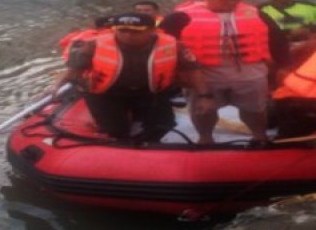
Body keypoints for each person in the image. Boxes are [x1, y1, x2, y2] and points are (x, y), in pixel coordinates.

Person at [160, 0, 290, 144]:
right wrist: (175, 74)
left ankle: (260, 136)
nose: (234, 2)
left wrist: (284, 66)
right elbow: (163, 44)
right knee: (203, 110)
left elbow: (278, 41)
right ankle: (205, 138)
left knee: (255, 109)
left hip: (250, 70)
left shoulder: (257, 14)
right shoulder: (180, 17)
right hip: (203, 72)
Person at [53, 13, 212, 142]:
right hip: (105, 94)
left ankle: (145, 143)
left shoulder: (175, 46)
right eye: (122, 30)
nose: (128, 35)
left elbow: (193, 71)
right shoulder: (93, 45)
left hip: (150, 92)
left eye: (136, 31)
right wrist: (56, 86)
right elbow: (73, 70)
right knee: (115, 132)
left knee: (164, 125)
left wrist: (205, 96)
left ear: (151, 30)